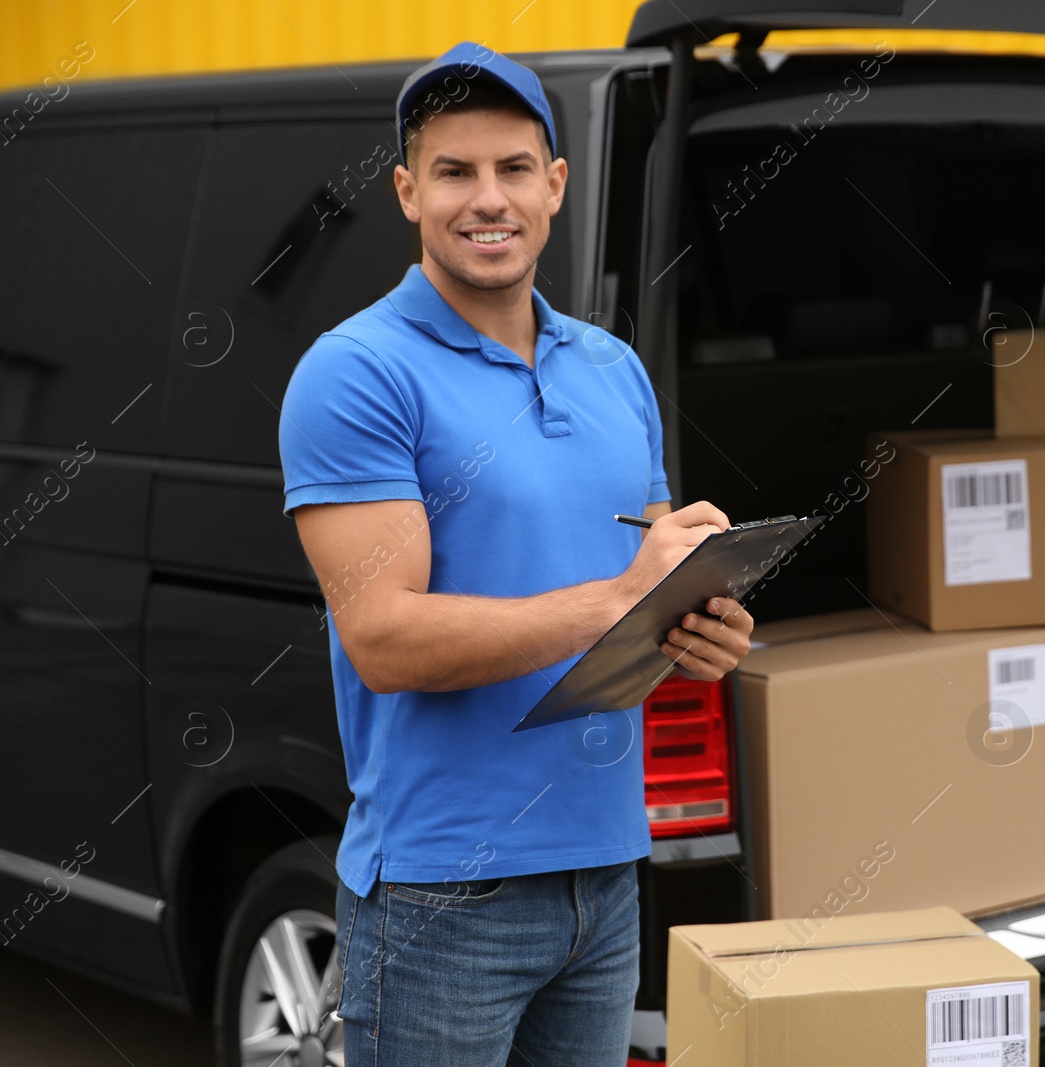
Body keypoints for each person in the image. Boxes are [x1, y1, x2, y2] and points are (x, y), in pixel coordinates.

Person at [276, 41, 754, 1067]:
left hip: (607, 870)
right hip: (443, 889)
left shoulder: (613, 368)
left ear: (555, 185)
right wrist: (617, 598)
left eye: (511, 168)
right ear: (407, 191)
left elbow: (651, 580)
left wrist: (697, 620)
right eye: (453, 171)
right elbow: (385, 639)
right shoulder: (356, 373)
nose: (485, 198)